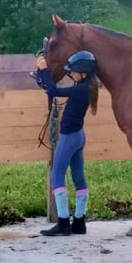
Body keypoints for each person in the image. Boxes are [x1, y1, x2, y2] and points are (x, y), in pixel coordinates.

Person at [34, 51, 98, 236]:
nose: (71, 74)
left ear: (83, 73)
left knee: (57, 175)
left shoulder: (79, 89)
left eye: (73, 72)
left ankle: (63, 222)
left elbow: (53, 92)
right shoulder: (86, 87)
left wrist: (44, 70)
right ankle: (79, 222)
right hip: (79, 136)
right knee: (78, 177)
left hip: (69, 136)